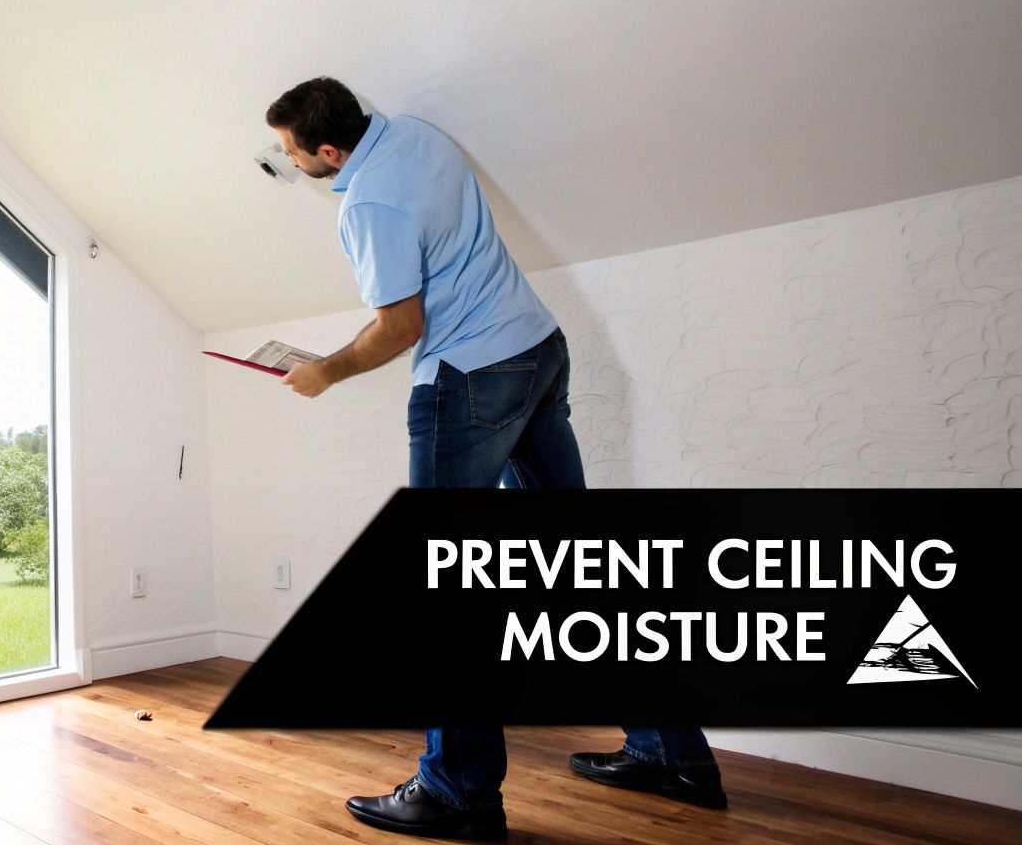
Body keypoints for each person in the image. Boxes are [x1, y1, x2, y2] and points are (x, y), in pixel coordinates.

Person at [265, 77, 725, 840]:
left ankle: (457, 792)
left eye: (291, 154)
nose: (289, 163)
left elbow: (399, 327)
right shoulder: (413, 132)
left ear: (329, 150)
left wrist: (325, 372)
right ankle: (671, 752)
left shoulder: (367, 204)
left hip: (469, 383)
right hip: (537, 351)